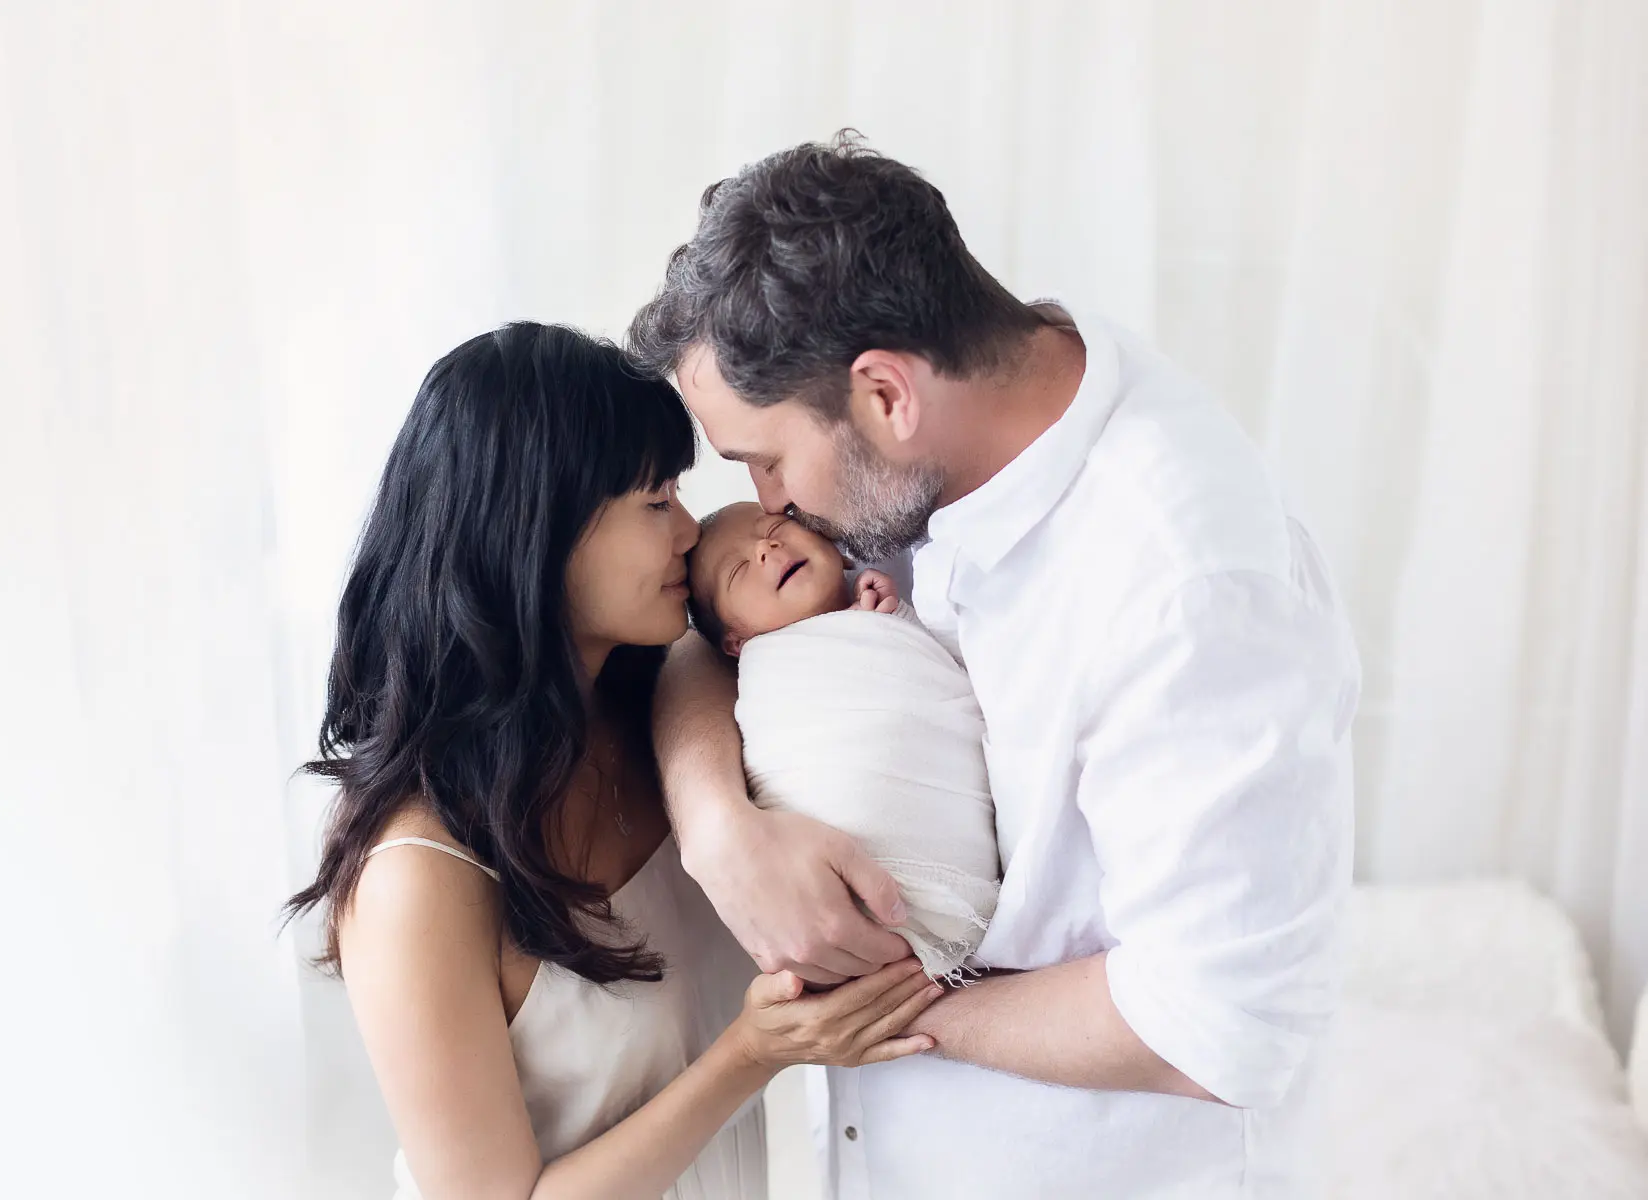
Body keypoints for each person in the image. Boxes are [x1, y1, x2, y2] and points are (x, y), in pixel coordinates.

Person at [627, 134, 1361, 1197]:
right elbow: (705, 630)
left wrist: (888, 1007)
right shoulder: (918, 464)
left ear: (884, 394)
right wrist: (720, 832)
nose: (768, 509)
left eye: (767, 461)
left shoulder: (1184, 583)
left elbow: (1222, 1024)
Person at [282, 322, 945, 1200]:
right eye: (656, 500)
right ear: (539, 534)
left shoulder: (658, 718)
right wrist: (754, 1055)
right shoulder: (418, 872)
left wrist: (717, 818)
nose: (690, 529)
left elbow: (724, 658)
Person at [686, 501, 999, 982]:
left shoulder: (884, 606)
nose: (767, 548)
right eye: (739, 569)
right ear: (734, 641)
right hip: (844, 901)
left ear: (840, 550)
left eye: (775, 529)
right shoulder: (768, 672)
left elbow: (946, 680)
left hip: (981, 875)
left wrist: (894, 622)